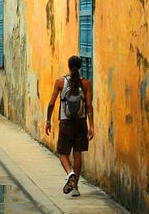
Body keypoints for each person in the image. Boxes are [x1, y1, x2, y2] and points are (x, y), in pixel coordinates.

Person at [45, 55, 94, 197]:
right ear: (80, 67)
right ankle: (75, 187)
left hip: (66, 122)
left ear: (68, 66)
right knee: (77, 153)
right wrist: (91, 126)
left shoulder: (60, 82)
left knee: (63, 153)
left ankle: (69, 173)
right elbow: (89, 105)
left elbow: (51, 103)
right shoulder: (86, 83)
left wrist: (48, 121)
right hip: (81, 122)